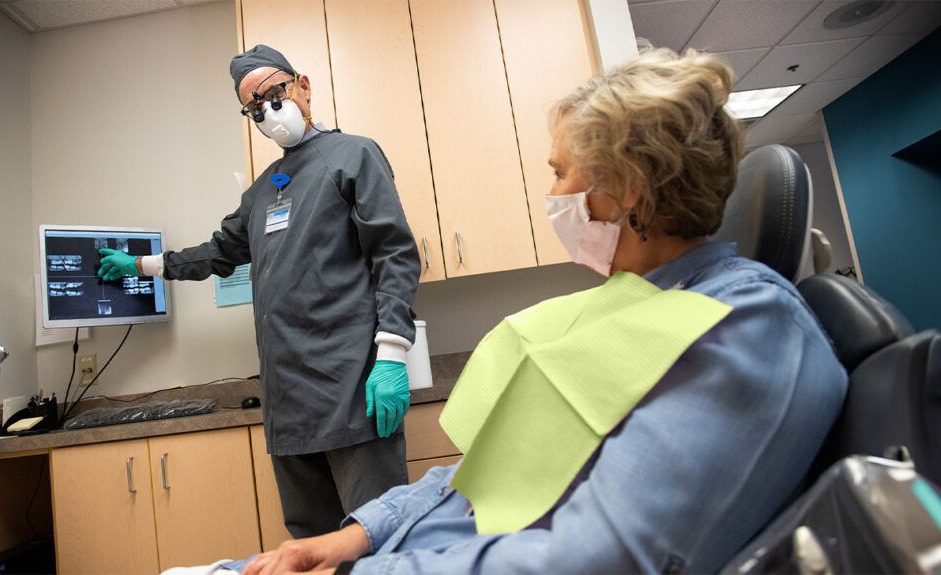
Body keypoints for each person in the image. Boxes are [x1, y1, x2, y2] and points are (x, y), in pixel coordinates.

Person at [177, 47, 847, 575]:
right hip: (406, 544)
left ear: (627, 187)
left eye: (561, 172)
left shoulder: (748, 332)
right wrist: (352, 537)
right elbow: (485, 476)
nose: (551, 193)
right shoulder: (639, 301)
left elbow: (594, 557)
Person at [97, 44, 423, 538]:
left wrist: (393, 353)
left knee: (378, 540)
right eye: (254, 107)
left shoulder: (354, 155)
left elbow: (394, 254)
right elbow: (218, 251)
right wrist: (142, 263)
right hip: (288, 402)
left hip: (352, 388)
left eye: (275, 94)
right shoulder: (263, 191)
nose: (269, 111)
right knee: (311, 548)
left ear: (303, 86)